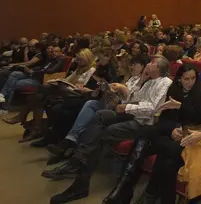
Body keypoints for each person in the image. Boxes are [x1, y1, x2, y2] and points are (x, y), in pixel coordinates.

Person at [103, 65, 201, 204]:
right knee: (163, 156)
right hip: (197, 136)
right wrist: (180, 106)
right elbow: (199, 116)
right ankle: (149, 195)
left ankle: (143, 194)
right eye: (186, 78)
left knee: (162, 148)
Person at [44, 59, 173, 203]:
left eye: (152, 63)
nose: (148, 64)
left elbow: (153, 108)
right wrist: (129, 91)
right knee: (100, 115)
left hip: (143, 124)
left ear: (160, 67)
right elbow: (132, 99)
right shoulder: (148, 81)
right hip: (131, 115)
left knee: (102, 134)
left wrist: (127, 107)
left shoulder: (166, 82)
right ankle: (79, 160)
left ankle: (79, 177)